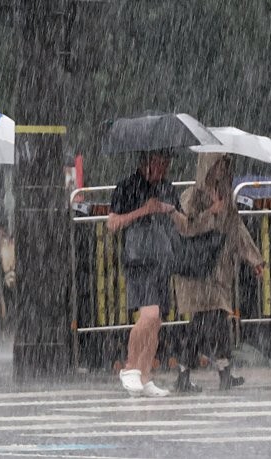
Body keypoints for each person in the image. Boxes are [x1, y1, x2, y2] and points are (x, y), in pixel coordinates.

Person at [171, 153, 265, 392]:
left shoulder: (225, 194)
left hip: (217, 271)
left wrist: (254, 258)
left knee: (212, 321)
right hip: (197, 270)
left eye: (225, 164)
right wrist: (210, 212)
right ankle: (211, 373)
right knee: (207, 322)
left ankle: (210, 373)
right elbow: (185, 228)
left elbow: (236, 228)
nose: (221, 169)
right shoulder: (192, 196)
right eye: (218, 164)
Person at [105, 150, 180, 398]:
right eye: (160, 163)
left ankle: (145, 374)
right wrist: (145, 210)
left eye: (166, 164)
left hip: (162, 257)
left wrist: (170, 211)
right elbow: (113, 224)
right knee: (149, 314)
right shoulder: (127, 186)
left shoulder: (167, 187)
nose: (164, 168)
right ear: (146, 162)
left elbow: (180, 220)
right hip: (139, 257)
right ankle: (130, 367)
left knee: (157, 321)